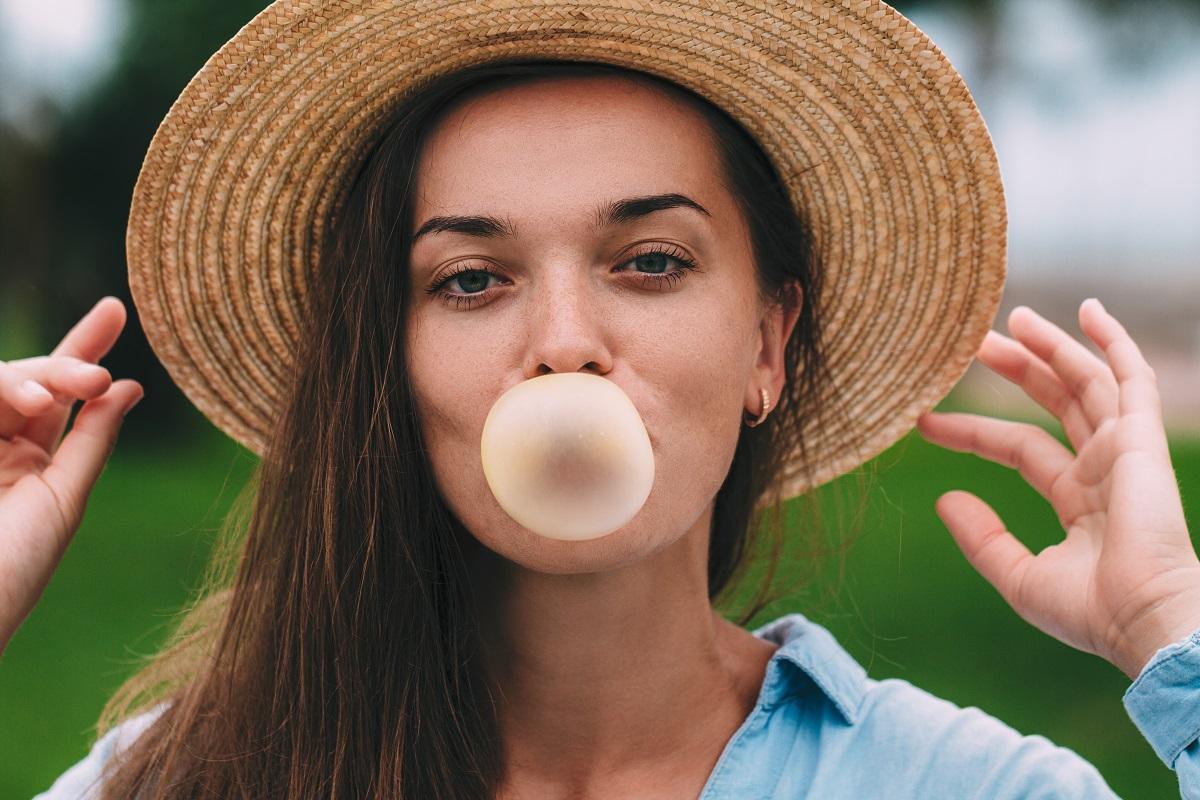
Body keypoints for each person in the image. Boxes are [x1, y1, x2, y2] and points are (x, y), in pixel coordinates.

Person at [2, 1, 1197, 798]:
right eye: (471, 279)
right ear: (389, 361)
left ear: (767, 344)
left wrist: (1171, 631)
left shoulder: (971, 789)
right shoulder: (181, 780)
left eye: (652, 261)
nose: (565, 343)